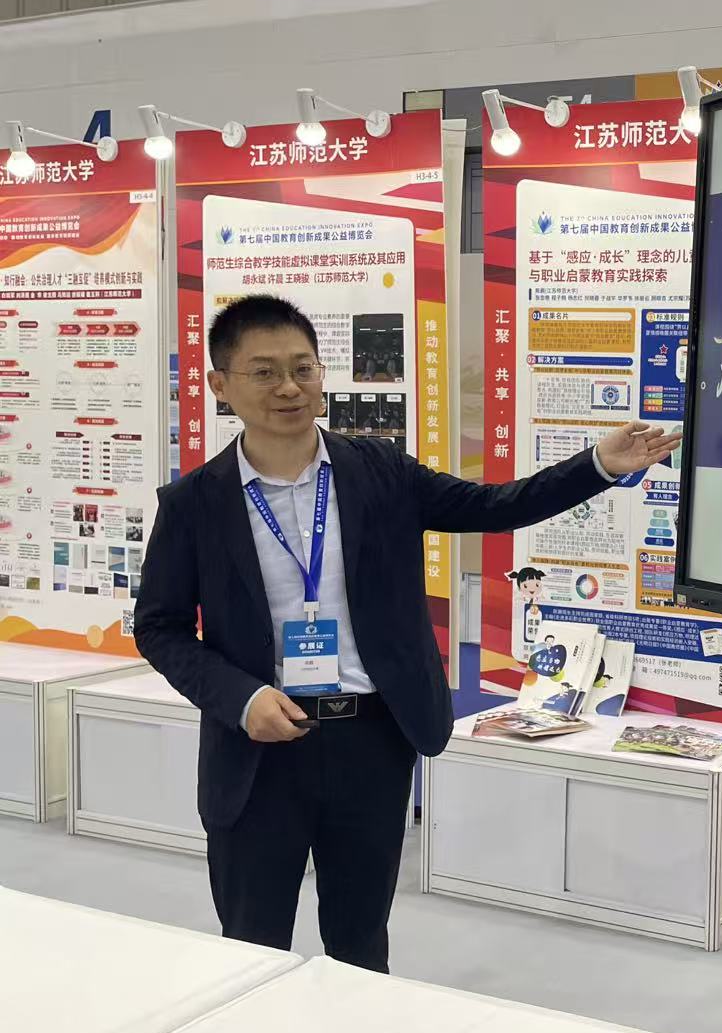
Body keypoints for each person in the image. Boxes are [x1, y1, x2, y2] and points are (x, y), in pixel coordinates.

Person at [134, 294, 679, 972]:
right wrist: (239, 698)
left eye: (302, 368)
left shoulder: (379, 471)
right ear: (221, 384)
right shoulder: (193, 504)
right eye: (264, 372)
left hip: (371, 740)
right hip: (259, 750)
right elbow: (159, 627)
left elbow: (493, 506)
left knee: (361, 943)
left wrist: (598, 463)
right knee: (252, 945)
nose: (289, 388)